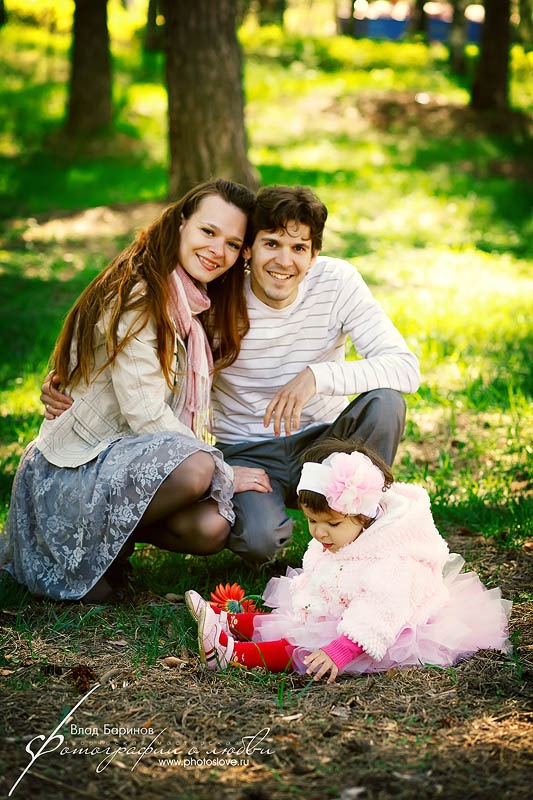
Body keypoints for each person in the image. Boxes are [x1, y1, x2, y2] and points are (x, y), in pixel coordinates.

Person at [40, 185, 421, 566]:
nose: (284, 261)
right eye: (271, 244)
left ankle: (356, 536)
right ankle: (108, 530)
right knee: (260, 542)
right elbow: (137, 343)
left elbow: (405, 367)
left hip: (325, 440)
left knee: (386, 402)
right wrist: (74, 380)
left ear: (314, 255)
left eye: (299, 248)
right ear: (249, 250)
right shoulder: (215, 293)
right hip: (247, 449)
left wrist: (316, 377)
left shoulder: (337, 282)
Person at [0, 179, 258, 602]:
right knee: (196, 469)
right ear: (180, 223)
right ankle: (86, 548)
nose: (217, 250)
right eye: (208, 231)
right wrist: (224, 471)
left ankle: (111, 547)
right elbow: (144, 414)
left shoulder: (193, 301)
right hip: (76, 467)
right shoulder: (140, 294)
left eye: (232, 243)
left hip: (120, 464)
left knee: (211, 528)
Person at [186, 439, 512, 682]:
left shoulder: (394, 562)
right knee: (297, 617)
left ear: (364, 516)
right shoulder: (346, 535)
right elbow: (320, 578)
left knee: (302, 647)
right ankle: (228, 621)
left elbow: (380, 610)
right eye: (312, 521)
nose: (319, 532)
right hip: (345, 606)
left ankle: (234, 655)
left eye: (331, 524)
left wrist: (342, 649)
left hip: (381, 629)